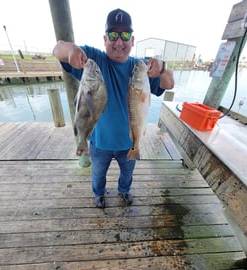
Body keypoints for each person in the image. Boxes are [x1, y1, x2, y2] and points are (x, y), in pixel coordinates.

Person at [53, 8, 174, 209]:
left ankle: (124, 191)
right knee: (98, 173)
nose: (119, 42)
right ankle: (98, 194)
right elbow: (58, 49)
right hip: (99, 143)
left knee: (127, 173)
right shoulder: (93, 60)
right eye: (113, 35)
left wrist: (162, 67)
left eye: (125, 35)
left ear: (132, 40)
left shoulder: (141, 68)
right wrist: (71, 50)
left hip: (129, 142)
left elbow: (169, 83)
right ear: (105, 39)